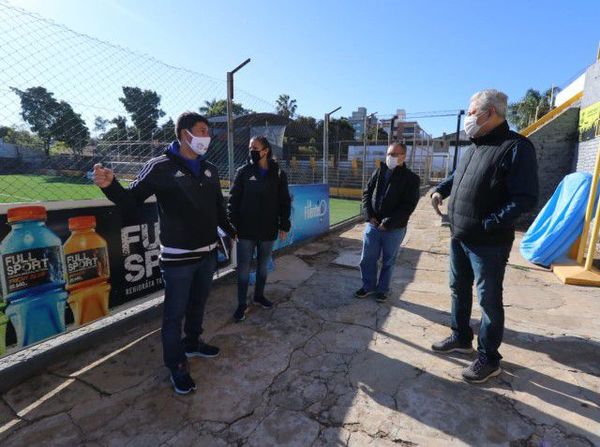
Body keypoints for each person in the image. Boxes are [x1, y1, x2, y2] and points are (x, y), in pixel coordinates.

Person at [93, 112, 236, 395]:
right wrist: (111, 185)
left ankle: (193, 343)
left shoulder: (209, 169)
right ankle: (177, 365)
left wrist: (230, 230)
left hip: (207, 255)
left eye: (207, 131)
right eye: (202, 130)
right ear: (185, 134)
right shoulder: (159, 167)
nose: (207, 136)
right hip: (178, 259)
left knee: (199, 304)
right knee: (174, 314)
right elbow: (130, 200)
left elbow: (218, 206)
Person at [430, 89, 539, 383]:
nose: (468, 117)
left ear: (489, 113)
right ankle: (461, 336)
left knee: (488, 300)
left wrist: (491, 223)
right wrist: (441, 189)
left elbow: (525, 198)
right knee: (458, 289)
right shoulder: (474, 147)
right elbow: (459, 176)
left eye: (470, 111)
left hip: (488, 243)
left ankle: (489, 359)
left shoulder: (516, 147)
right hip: (460, 236)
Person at [228, 136, 291, 322]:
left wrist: (284, 223)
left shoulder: (279, 173)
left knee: (263, 267)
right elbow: (233, 201)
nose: (252, 151)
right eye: (250, 148)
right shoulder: (243, 172)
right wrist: (233, 225)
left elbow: (284, 201)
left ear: (265, 151)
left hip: (268, 229)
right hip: (245, 230)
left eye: (255, 148)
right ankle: (241, 304)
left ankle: (259, 295)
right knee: (244, 269)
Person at [356, 142, 420, 302]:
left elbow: (408, 206)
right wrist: (369, 215)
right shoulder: (379, 171)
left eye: (394, 154)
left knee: (388, 260)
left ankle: (383, 289)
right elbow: (367, 193)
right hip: (373, 224)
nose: (389, 157)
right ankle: (368, 286)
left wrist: (388, 222)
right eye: (388, 154)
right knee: (367, 258)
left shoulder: (411, 178)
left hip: (394, 228)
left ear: (403, 157)